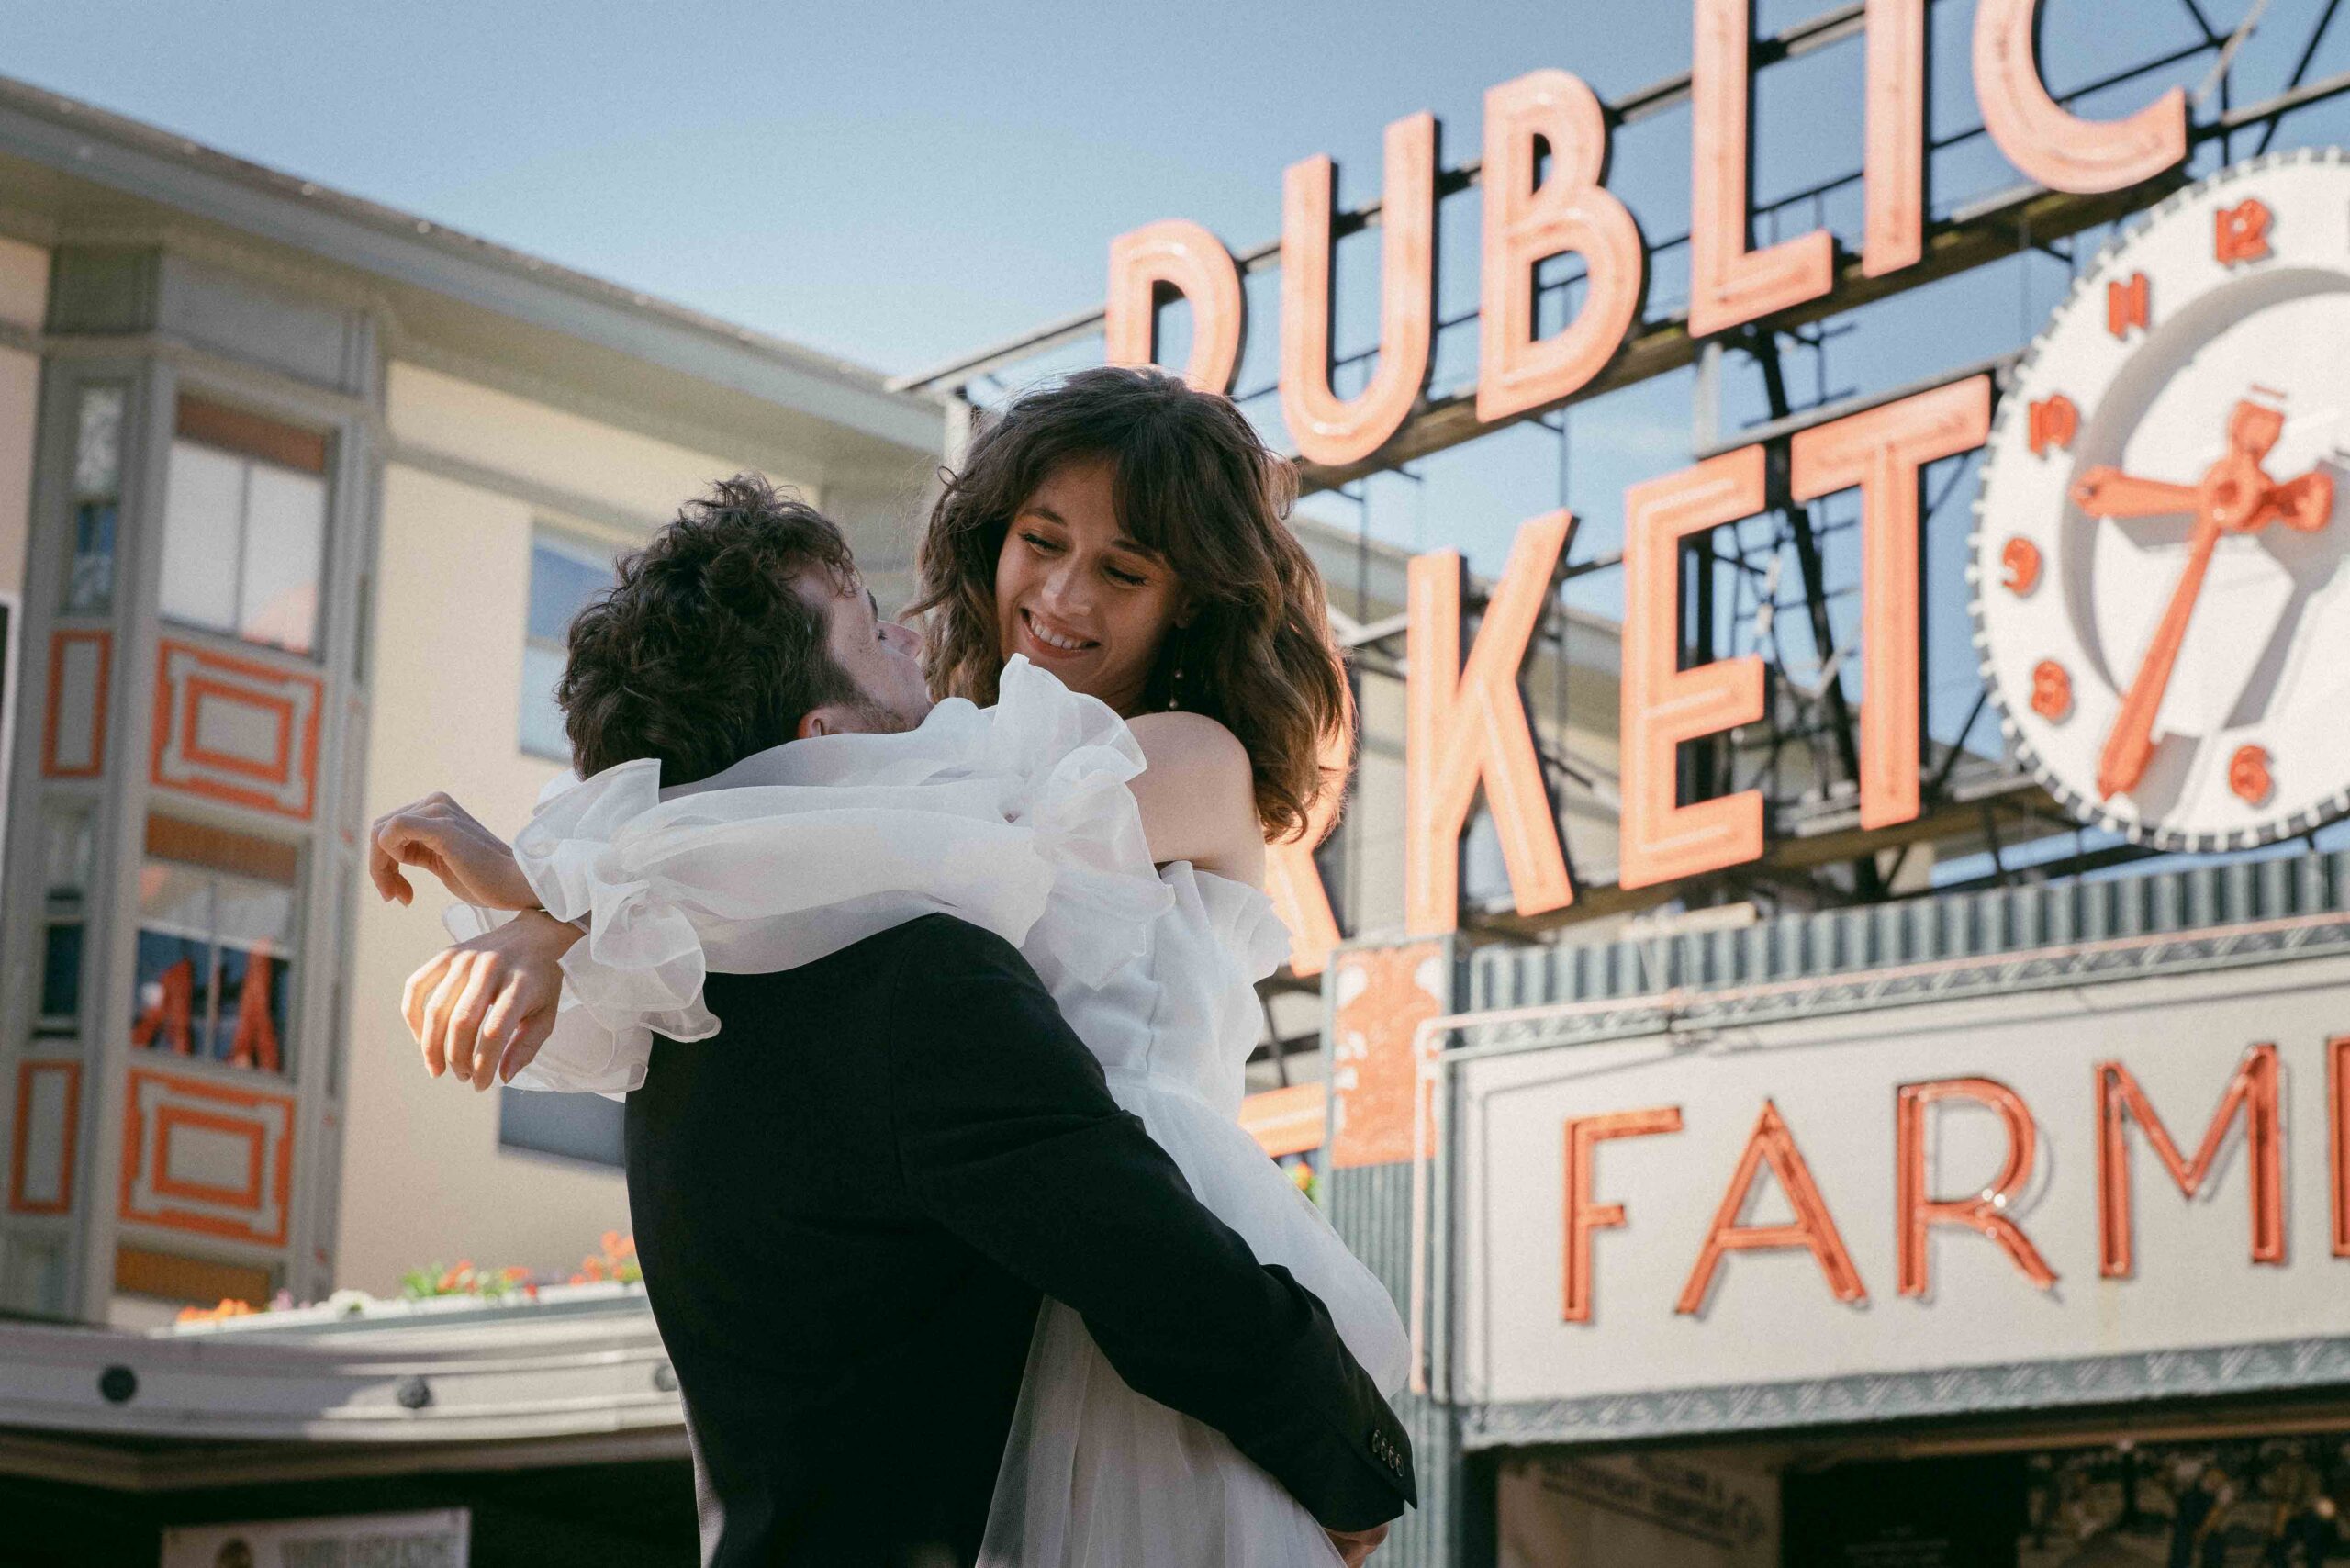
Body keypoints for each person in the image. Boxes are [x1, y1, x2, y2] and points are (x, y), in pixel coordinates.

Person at [376, 410, 1412, 1565]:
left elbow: (924, 828)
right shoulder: (917, 797)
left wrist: (556, 897)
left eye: (1124, 571)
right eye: (1040, 539)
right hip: (1047, 1304)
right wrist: (560, 911)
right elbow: (815, 810)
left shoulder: (1184, 756)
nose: (1063, 594)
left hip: (1166, 1272)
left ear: (1193, 603)